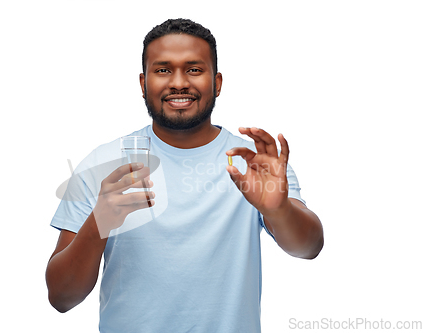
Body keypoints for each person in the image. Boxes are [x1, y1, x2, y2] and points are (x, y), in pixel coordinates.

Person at [46, 18, 324, 333]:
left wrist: (279, 209)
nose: (179, 82)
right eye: (163, 70)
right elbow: (61, 297)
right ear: (143, 83)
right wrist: (99, 221)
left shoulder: (255, 163)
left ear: (217, 82)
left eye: (194, 69)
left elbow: (308, 247)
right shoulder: (104, 163)